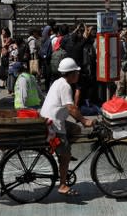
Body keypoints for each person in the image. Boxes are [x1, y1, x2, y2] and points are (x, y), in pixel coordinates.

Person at [40, 57, 94, 197]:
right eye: (76, 72)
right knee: (65, 156)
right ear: (70, 74)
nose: (78, 74)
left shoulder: (59, 82)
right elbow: (71, 108)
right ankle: (63, 185)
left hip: (52, 120)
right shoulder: (65, 86)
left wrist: (80, 122)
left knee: (75, 130)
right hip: (53, 125)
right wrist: (84, 120)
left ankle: (64, 151)